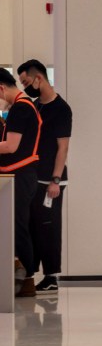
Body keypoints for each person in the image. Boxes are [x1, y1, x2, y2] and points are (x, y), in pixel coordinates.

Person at [18, 59, 73, 294]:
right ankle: (32, 273)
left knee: (49, 228)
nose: (24, 87)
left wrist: (55, 180)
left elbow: (63, 148)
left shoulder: (61, 109)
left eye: (26, 82)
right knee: (32, 227)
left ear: (38, 78)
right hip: (33, 178)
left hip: (51, 180)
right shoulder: (35, 105)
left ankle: (51, 276)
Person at [0, 67, 42, 298]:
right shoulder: (23, 107)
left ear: (1, 88)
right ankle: (22, 276)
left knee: (18, 227)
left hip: (21, 176)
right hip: (20, 175)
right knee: (17, 226)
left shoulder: (20, 108)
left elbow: (11, 146)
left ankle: (26, 280)